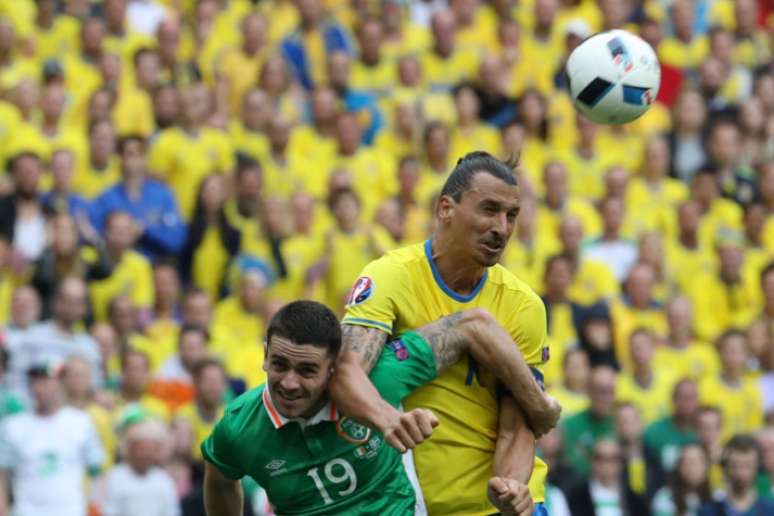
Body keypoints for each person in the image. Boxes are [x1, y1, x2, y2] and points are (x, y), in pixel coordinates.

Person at [332, 152, 560, 515]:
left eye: (511, 215)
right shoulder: (392, 276)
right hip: (417, 505)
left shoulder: (524, 305)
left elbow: (518, 425)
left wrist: (511, 488)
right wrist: (390, 420)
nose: (502, 227)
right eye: (489, 209)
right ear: (445, 209)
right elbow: (345, 373)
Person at [203, 297, 555, 516]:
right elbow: (220, 481)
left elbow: (471, 326)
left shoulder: (379, 378)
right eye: (279, 365)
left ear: (334, 367)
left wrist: (538, 405)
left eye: (307, 370)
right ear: (264, 356)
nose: (290, 383)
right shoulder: (238, 427)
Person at [0, 360, 105, 516]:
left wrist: (95, 508)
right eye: (35, 382)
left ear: (61, 383)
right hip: (26, 511)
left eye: (46, 381)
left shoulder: (81, 422)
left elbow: (97, 471)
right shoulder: (13, 426)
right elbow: (2, 475)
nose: (40, 388)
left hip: (71, 511)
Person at [103, 419, 180, 516]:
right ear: (130, 449)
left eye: (151, 450)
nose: (146, 454)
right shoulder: (115, 477)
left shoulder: (164, 480)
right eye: (142, 449)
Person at [567, 438, 649, 516]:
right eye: (600, 458)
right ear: (592, 461)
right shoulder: (577, 497)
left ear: (621, 464)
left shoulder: (633, 499)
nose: (606, 464)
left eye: (613, 458)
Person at [698, 435, 774, 515]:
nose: (741, 473)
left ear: (757, 467)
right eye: (735, 466)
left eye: (747, 466)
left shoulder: (770, 511)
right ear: (725, 468)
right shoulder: (708, 512)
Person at [651, 444, 712, 516]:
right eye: (685, 463)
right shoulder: (665, 497)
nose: (691, 468)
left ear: (706, 466)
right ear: (678, 468)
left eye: (695, 463)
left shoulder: (716, 496)